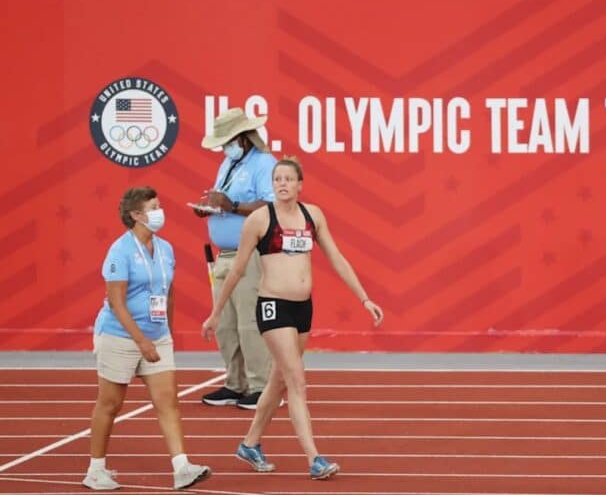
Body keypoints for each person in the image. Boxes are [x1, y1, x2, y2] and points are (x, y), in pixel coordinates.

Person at [202, 157, 383, 480]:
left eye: (288, 179)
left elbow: (336, 257)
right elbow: (238, 269)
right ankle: (315, 459)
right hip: (272, 306)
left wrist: (364, 297)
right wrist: (216, 313)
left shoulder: (313, 215)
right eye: (277, 179)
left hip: (302, 309)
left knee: (279, 380)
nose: (282, 184)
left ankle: (250, 444)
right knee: (297, 381)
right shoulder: (259, 219)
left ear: (300, 184)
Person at [84, 187, 210, 491]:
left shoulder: (165, 248)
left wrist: (166, 330)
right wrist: (141, 341)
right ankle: (95, 469)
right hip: (120, 336)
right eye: (153, 207)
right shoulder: (120, 251)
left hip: (157, 336)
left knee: (168, 401)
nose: (159, 211)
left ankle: (181, 467)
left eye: (159, 205)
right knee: (111, 404)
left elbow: (169, 291)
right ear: (136, 215)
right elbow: (116, 301)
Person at [196, 108, 277, 410]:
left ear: (243, 137)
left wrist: (231, 205)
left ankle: (261, 386)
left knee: (249, 322)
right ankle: (235, 382)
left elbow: (270, 205)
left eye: (227, 140)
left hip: (251, 253)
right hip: (225, 254)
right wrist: (211, 208)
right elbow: (226, 202)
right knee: (226, 323)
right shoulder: (228, 163)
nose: (223, 147)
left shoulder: (264, 163)